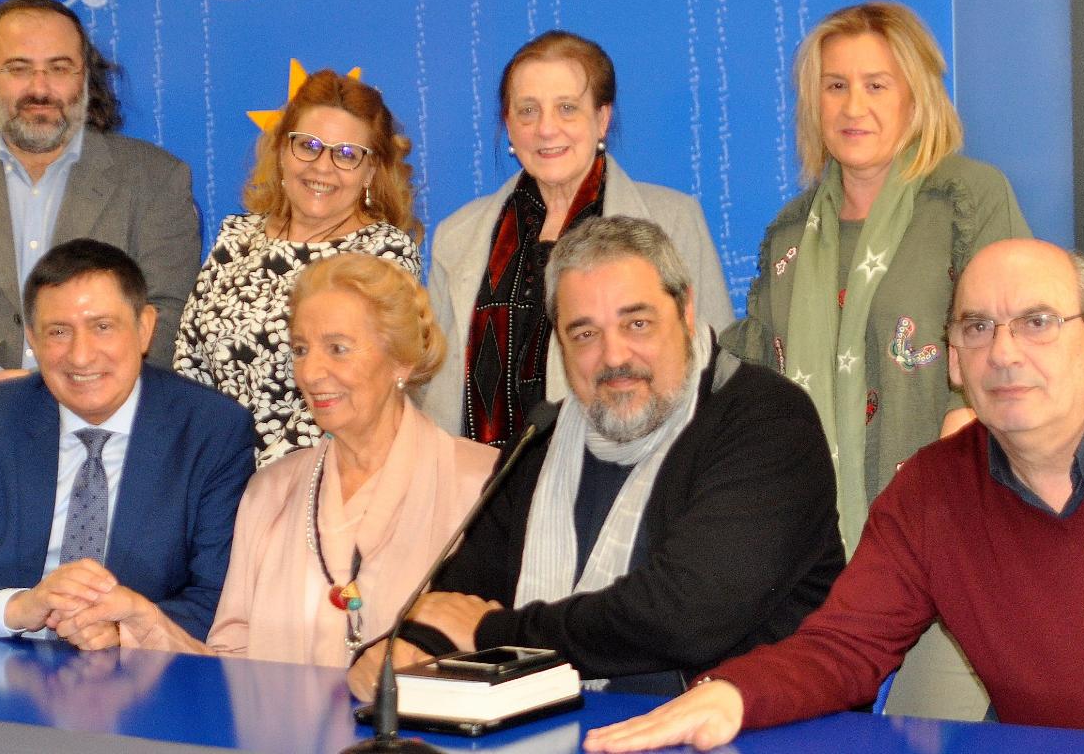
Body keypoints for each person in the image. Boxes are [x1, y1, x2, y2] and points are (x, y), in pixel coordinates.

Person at [584, 239, 1084, 750]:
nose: (1005, 352)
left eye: (1038, 322)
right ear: (955, 363)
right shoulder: (932, 491)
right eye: (976, 328)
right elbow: (846, 646)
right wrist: (734, 694)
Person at [354, 216, 843, 698]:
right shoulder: (542, 438)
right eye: (585, 334)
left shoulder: (765, 419)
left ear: (687, 311)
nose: (614, 356)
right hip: (561, 730)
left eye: (637, 323)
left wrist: (495, 634)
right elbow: (462, 591)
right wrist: (404, 646)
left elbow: (684, 616)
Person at [723, 1, 1027, 715]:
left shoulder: (967, 199)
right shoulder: (789, 232)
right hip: (808, 560)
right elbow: (753, 366)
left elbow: (1015, 338)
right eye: (835, 86)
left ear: (915, 95)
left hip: (949, 545)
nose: (852, 106)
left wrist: (969, 424)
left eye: (876, 85)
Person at [58, 253, 496, 665]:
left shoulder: (481, 485)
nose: (310, 371)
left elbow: (501, 659)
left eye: (338, 348)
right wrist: (140, 622)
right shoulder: (270, 491)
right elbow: (230, 670)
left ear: (401, 359)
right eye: (302, 349)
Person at [0, 239, 253, 647]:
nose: (81, 357)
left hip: (143, 682)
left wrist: (122, 629)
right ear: (33, 338)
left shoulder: (212, 430)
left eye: (102, 327)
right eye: (59, 332)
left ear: (145, 328)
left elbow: (219, 601)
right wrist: (21, 607)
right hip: (6, 672)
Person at [0, 0, 197, 408]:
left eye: (59, 68)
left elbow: (170, 320)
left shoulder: (156, 180)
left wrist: (82, 385)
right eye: (18, 68)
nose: (39, 88)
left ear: (85, 78)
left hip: (109, 432)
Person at [422, 30, 733, 448]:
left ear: (601, 118)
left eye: (566, 108)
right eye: (527, 111)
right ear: (508, 125)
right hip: (480, 493)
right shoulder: (456, 238)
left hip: (626, 483)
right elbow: (433, 391)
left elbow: (715, 374)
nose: (546, 129)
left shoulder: (672, 222)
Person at [174, 69, 421, 466]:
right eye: (308, 145)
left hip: (317, 480)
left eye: (346, 154)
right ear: (282, 152)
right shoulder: (236, 238)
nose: (323, 167)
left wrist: (259, 483)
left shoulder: (383, 255)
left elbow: (359, 386)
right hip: (213, 477)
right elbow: (189, 366)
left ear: (371, 172)